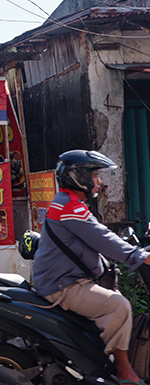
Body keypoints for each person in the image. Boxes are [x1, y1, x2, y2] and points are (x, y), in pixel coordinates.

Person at [33, 149, 150, 385]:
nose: (99, 182)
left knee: (115, 299)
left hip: (66, 279)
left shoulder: (69, 203)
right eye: (96, 176)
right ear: (80, 177)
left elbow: (99, 236)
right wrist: (138, 256)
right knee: (119, 306)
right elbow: (102, 238)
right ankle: (121, 369)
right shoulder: (70, 207)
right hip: (65, 285)